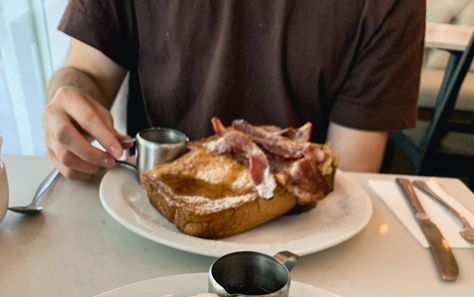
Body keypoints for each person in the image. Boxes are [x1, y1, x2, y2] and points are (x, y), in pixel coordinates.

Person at [45, 0, 426, 180]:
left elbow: (349, 170)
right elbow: (86, 72)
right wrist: (71, 101)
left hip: (300, 245)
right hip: (145, 212)